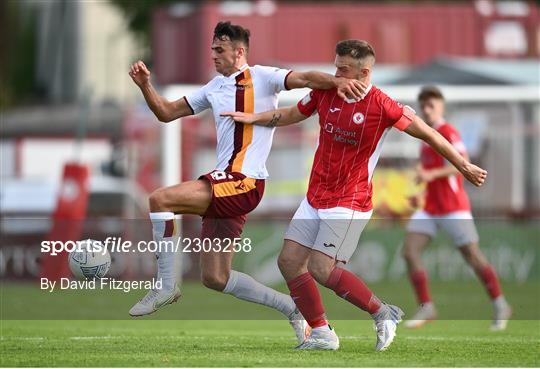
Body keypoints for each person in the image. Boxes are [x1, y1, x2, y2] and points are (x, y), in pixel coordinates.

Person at [222, 40, 487, 351]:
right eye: (335, 67)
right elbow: (294, 113)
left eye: (343, 69)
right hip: (316, 195)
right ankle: (322, 333)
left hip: (350, 200)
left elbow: (429, 134)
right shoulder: (326, 91)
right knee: (289, 262)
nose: (336, 74)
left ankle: (383, 313)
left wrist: (464, 165)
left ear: (364, 72)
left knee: (322, 267)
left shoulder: (382, 105)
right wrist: (255, 118)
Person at [127, 21, 366, 345]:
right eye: (212, 49)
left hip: (245, 181)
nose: (213, 55)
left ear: (239, 52)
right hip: (227, 184)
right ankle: (292, 308)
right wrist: (145, 85)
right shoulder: (213, 88)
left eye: (220, 49)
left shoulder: (263, 77)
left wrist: (337, 82)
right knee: (215, 277)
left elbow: (306, 78)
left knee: (160, 200)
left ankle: (166, 285)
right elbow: (167, 113)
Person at [401, 86, 511, 331]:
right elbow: (429, 176)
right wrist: (419, 192)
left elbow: (462, 164)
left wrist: (430, 174)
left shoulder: (448, 132)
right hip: (430, 207)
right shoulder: (424, 137)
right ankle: (426, 306)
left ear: (441, 107)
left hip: (453, 206)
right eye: (424, 106)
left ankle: (500, 303)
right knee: (409, 251)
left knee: (471, 255)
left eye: (432, 105)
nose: (427, 110)